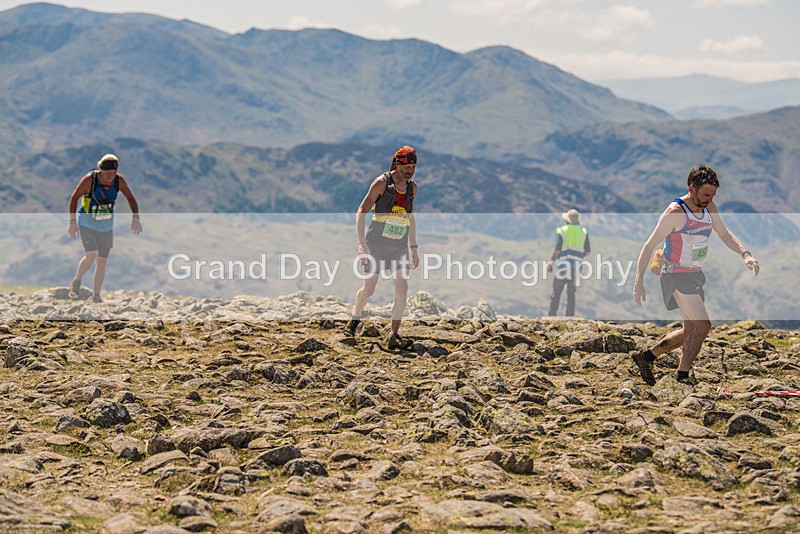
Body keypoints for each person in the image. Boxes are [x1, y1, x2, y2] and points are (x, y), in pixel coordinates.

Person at [631, 165, 760, 385]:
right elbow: (649, 245)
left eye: (713, 195)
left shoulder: (709, 208)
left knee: (689, 329)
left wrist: (745, 254)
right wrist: (638, 281)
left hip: (694, 274)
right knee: (703, 326)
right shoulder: (675, 212)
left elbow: (724, 233)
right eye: (705, 194)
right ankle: (682, 377)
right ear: (692, 188)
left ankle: (646, 357)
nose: (709, 199)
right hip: (675, 273)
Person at [347, 146, 420, 350]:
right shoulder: (381, 183)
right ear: (397, 164)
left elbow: (411, 218)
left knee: (402, 288)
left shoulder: (413, 188)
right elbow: (361, 211)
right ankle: (355, 317)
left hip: (399, 246)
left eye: (413, 167)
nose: (410, 171)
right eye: (407, 166)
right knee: (369, 289)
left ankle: (393, 334)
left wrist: (414, 248)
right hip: (376, 244)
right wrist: (362, 245)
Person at [67, 154, 142, 303]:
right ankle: (76, 282)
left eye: (114, 173)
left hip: (106, 225)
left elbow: (131, 198)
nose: (111, 176)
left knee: (102, 261)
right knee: (92, 255)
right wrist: (72, 222)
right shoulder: (90, 180)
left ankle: (96, 295)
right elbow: (74, 197)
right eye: (108, 173)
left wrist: (136, 218)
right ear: (101, 170)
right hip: (87, 222)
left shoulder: (118, 181)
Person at [547, 209, 590, 316]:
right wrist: (579, 257)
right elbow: (587, 251)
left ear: (567, 220)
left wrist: (551, 263)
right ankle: (570, 317)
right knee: (571, 294)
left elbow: (557, 250)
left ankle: (551, 316)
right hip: (576, 267)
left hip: (562, 266)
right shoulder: (583, 232)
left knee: (556, 293)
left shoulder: (561, 230)